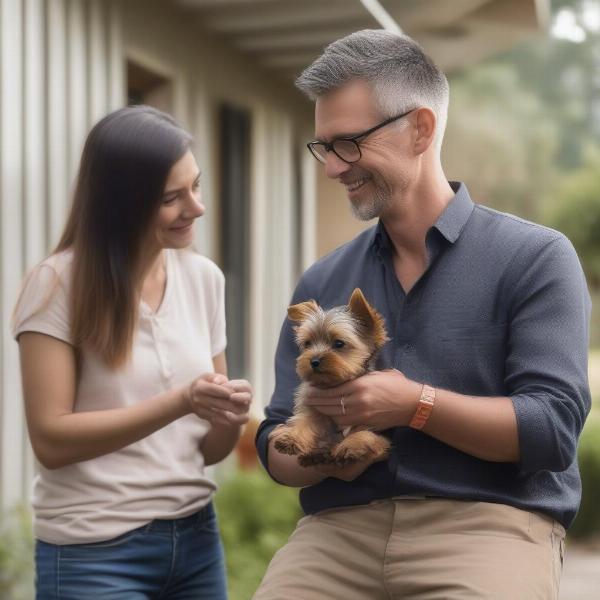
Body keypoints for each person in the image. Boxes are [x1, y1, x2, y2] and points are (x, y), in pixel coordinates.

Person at [254, 30, 591, 599]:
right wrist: (319, 457)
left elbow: (551, 429)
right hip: (336, 534)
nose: (333, 168)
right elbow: (275, 434)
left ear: (420, 128)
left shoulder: (535, 258)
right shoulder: (323, 281)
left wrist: (415, 406)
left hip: (488, 526)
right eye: (323, 147)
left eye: (348, 143)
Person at [12, 105, 252, 599]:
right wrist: (182, 401)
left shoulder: (204, 279)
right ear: (121, 203)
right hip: (92, 553)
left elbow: (208, 451)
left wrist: (227, 416)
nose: (197, 207)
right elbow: (51, 440)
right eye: (171, 197)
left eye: (196, 186)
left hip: (195, 541)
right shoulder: (57, 284)